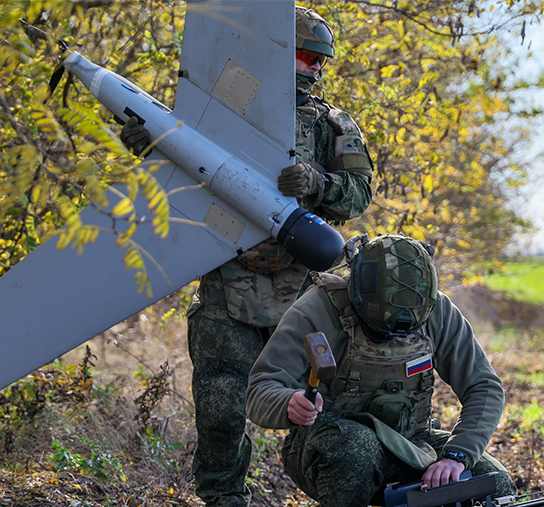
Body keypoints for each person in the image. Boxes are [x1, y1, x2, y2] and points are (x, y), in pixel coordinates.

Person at [120, 7, 374, 507]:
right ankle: (224, 498)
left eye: (320, 60)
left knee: (328, 405)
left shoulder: (331, 124)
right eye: (305, 56)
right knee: (219, 408)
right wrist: (150, 149)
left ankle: (337, 489)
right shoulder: (223, 107)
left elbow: (359, 193)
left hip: (302, 295)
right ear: (278, 51)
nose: (315, 68)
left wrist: (319, 183)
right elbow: (186, 168)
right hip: (227, 285)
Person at [246, 234, 517, 507]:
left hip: (411, 443)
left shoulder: (437, 309)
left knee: (493, 482)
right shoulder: (318, 309)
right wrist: (289, 403)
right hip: (326, 446)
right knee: (357, 450)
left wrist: (457, 456)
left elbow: (484, 386)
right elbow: (261, 386)